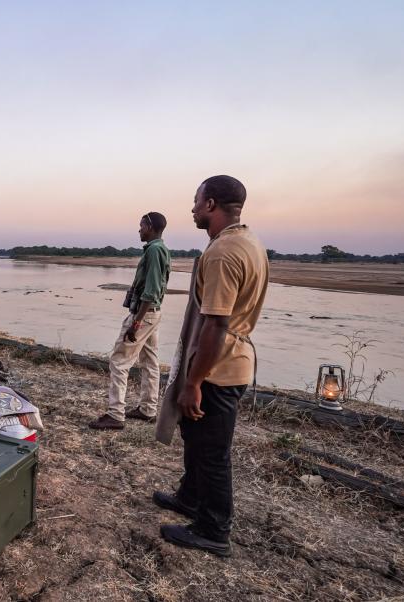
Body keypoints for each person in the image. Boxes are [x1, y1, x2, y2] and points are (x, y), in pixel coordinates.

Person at [154, 175, 269, 557]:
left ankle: (213, 529)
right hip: (228, 362)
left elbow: (216, 323)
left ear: (211, 204)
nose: (191, 208)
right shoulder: (248, 242)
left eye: (196, 200)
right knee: (196, 439)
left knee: (211, 451)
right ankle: (190, 498)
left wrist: (194, 382)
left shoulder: (222, 254)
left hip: (218, 369)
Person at [90, 212, 171, 430]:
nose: (139, 230)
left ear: (151, 227)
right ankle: (148, 409)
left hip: (144, 314)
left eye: (141, 226)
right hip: (154, 313)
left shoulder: (154, 250)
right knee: (150, 361)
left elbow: (152, 289)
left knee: (119, 361)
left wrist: (136, 322)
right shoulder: (160, 249)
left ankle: (116, 414)